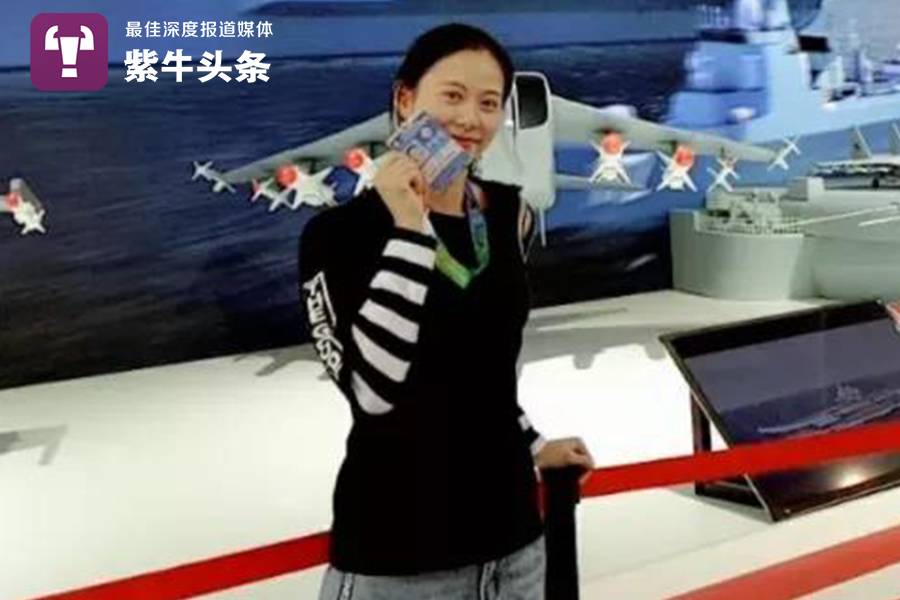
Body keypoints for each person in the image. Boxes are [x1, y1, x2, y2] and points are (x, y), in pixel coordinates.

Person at [299, 23, 595, 600]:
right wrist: (411, 227)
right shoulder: (338, 235)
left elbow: (483, 368)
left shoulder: (506, 212)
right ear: (405, 98)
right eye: (452, 96)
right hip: (401, 555)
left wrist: (534, 445)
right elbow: (374, 394)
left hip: (515, 545)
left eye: (489, 103)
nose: (470, 119)